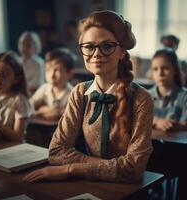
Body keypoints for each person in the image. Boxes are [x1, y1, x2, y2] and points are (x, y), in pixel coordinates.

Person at [23, 10, 153, 183]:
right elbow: (56, 151)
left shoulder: (141, 98)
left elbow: (132, 170)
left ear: (122, 51)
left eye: (107, 46)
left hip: (127, 190)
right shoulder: (79, 92)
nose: (96, 54)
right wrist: (107, 167)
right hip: (88, 184)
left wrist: (71, 168)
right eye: (89, 46)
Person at [0, 51, 31, 144]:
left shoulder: (19, 100)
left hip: (13, 149)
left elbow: (18, 137)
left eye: (5, 74)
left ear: (16, 79)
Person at [30, 48, 75, 121]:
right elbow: (29, 105)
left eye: (56, 70)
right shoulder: (45, 88)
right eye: (48, 69)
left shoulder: (72, 93)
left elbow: (66, 116)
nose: (51, 75)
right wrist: (42, 110)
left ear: (69, 73)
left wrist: (53, 112)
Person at [149, 48, 187, 132]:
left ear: (175, 70)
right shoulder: (146, 96)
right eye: (155, 69)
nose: (160, 74)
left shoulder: (185, 96)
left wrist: (171, 125)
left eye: (165, 68)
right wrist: (156, 121)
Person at [18, 31, 45, 96]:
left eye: (28, 45)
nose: (24, 48)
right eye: (22, 44)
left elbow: (37, 86)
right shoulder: (18, 61)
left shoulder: (38, 63)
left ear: (35, 46)